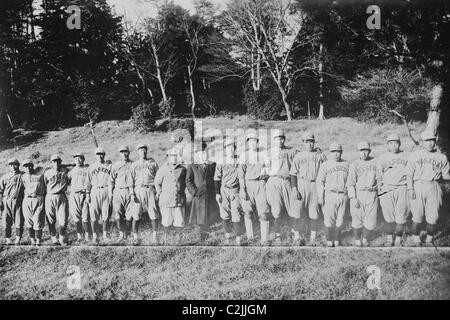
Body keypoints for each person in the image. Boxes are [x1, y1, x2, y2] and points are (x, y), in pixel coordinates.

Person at [406, 131, 450, 246]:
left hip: (434, 185)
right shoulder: (415, 155)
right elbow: (409, 174)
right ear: (422, 142)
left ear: (435, 141)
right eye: (427, 141)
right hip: (418, 185)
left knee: (433, 216)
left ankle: (429, 240)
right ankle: (416, 240)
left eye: (432, 140)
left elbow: (446, 177)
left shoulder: (441, 157)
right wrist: (410, 189)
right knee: (417, 215)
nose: (430, 143)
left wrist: (440, 174)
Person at [290, 132, 326, 245]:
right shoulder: (299, 156)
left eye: (311, 142)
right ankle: (296, 237)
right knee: (298, 211)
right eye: (307, 142)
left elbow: (326, 170)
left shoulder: (320, 155)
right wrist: (294, 188)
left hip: (315, 184)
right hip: (302, 183)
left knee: (314, 212)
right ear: (303, 143)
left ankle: (313, 238)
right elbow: (293, 174)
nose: (309, 144)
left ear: (314, 143)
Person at [264, 129, 298, 244]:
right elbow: (264, 167)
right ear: (274, 140)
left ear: (284, 139)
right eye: (277, 138)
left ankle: (294, 233)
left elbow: (301, 158)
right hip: (274, 180)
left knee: (293, 208)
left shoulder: (291, 151)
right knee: (276, 210)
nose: (280, 140)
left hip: (287, 180)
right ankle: (277, 235)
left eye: (282, 138)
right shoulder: (269, 152)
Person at [377, 134, 409, 246]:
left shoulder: (406, 156)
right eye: (391, 143)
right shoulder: (382, 157)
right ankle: (390, 239)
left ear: (399, 144)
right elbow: (379, 175)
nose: (394, 145)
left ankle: (398, 239)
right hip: (387, 188)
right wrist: (379, 189)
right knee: (388, 215)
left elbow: (411, 173)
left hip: (402, 187)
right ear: (387, 145)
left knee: (401, 215)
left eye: (396, 143)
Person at [238, 130, 270, 244]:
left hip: (261, 184)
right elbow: (241, 175)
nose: (252, 143)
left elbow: (269, 166)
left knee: (264, 213)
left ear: (257, 142)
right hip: (247, 184)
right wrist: (242, 189)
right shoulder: (243, 156)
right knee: (248, 212)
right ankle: (250, 238)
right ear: (247, 143)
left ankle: (265, 240)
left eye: (254, 141)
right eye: (250, 141)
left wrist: (265, 170)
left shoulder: (263, 153)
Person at [316, 143, 349, 247]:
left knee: (340, 219)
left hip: (343, 194)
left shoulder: (347, 164)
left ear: (341, 152)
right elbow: (320, 181)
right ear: (330, 153)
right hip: (330, 194)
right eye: (333, 152)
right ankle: (330, 239)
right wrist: (320, 196)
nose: (336, 154)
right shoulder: (325, 164)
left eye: (338, 152)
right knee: (329, 219)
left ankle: (337, 239)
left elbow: (351, 180)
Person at [346, 142, 379, 247]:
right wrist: (352, 198)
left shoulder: (376, 162)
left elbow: (380, 178)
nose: (364, 153)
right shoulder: (354, 164)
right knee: (357, 218)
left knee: (371, 220)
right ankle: (357, 240)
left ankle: (365, 240)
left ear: (369, 151)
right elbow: (350, 183)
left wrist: (378, 187)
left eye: (366, 150)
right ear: (358, 152)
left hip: (372, 193)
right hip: (359, 193)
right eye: (361, 151)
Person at [186, 141, 219, 238]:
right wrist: (194, 192)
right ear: (197, 154)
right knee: (200, 214)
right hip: (198, 194)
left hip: (210, 194)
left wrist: (215, 192)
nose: (203, 155)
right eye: (200, 153)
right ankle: (202, 232)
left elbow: (216, 179)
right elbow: (188, 180)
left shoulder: (212, 165)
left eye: (204, 152)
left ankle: (208, 228)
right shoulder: (192, 166)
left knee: (209, 212)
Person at [214, 138, 244, 245]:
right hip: (224, 189)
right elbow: (217, 178)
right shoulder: (221, 161)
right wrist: (217, 193)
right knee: (225, 213)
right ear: (225, 150)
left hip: (235, 190)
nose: (230, 150)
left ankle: (238, 237)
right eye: (228, 148)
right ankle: (227, 235)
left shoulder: (239, 160)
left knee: (236, 213)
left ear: (234, 149)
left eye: (232, 147)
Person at [155, 148, 187, 242]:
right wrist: (159, 192)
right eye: (172, 156)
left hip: (179, 200)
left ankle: (179, 240)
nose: (174, 158)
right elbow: (157, 182)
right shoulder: (162, 169)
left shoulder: (183, 169)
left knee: (179, 221)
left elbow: (185, 182)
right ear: (167, 157)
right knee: (166, 221)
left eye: (175, 156)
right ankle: (165, 239)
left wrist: (181, 192)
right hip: (167, 200)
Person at [110, 145, 139, 244]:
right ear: (119, 154)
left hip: (130, 191)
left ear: (129, 153)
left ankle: (127, 233)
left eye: (126, 152)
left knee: (129, 214)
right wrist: (110, 193)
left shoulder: (133, 164)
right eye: (122, 152)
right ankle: (121, 234)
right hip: (118, 191)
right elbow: (111, 181)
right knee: (118, 212)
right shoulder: (116, 165)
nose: (124, 154)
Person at [132, 143, 159, 243]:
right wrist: (132, 194)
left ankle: (155, 236)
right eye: (140, 150)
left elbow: (158, 178)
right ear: (138, 152)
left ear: (147, 151)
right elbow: (131, 180)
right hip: (138, 190)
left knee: (153, 213)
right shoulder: (134, 165)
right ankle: (135, 237)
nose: (142, 152)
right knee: (136, 214)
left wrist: (158, 191)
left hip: (150, 189)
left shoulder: (153, 163)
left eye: (144, 150)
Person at [44, 155, 70, 245]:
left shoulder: (65, 171)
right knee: (51, 219)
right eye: (54, 161)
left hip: (61, 196)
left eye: (58, 161)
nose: (56, 163)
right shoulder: (47, 172)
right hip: (50, 196)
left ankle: (62, 238)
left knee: (63, 219)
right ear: (51, 163)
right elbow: (44, 184)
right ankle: (54, 239)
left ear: (61, 162)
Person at [88, 147, 112, 241]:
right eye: (98, 154)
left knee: (105, 214)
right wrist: (87, 194)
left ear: (104, 155)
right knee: (94, 214)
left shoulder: (109, 165)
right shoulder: (91, 166)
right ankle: (95, 236)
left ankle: (105, 235)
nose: (100, 156)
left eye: (101, 154)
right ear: (95, 156)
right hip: (94, 190)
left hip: (105, 189)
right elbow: (88, 181)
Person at [68, 152, 91, 244]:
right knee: (76, 217)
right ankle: (79, 237)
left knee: (85, 217)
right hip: (74, 195)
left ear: (83, 159)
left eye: (80, 158)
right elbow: (66, 180)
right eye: (76, 159)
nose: (78, 160)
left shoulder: (88, 169)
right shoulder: (71, 171)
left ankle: (87, 236)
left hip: (84, 194)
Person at [21, 159, 46, 246]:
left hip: (38, 198)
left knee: (38, 219)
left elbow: (45, 185)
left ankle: (38, 241)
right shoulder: (23, 176)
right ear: (23, 168)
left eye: (29, 166)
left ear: (32, 166)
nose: (28, 168)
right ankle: (32, 240)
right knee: (29, 221)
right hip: (27, 199)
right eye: (26, 166)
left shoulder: (40, 174)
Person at [0, 158, 24, 245]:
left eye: (15, 164)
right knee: (6, 221)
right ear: (9, 166)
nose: (13, 167)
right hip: (6, 200)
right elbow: (0, 190)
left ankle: (18, 239)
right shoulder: (5, 177)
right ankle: (8, 239)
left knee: (19, 220)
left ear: (18, 165)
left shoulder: (22, 175)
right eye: (11, 165)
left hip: (18, 200)